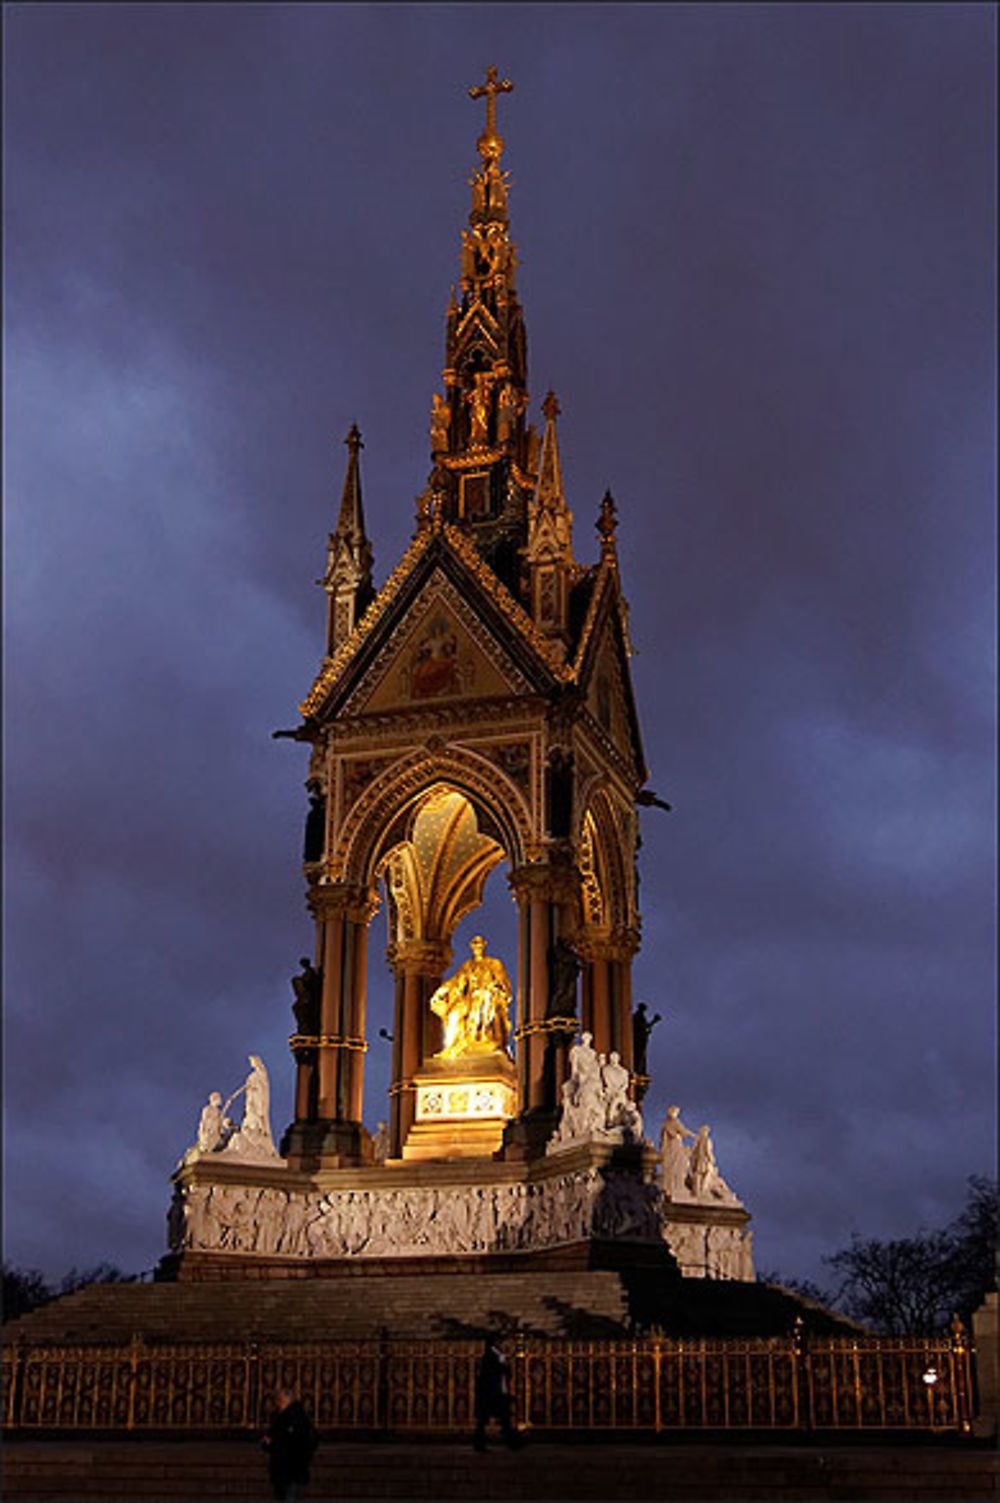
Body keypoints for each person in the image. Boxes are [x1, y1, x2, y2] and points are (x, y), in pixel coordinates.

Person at [261, 1387, 318, 1502]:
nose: (278, 1404)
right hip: (288, 1466)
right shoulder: (287, 1417)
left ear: (287, 1400)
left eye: (280, 1400)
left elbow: (289, 1441)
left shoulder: (294, 1418)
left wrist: (272, 1443)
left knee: (289, 1495)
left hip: (290, 1466)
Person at [473, 1336, 517, 1451]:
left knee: (501, 1418)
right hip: (492, 1392)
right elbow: (494, 1372)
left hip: (494, 1391)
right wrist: (503, 1365)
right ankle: (511, 1441)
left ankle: (511, 1441)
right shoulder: (491, 1356)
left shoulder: (495, 1355)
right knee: (499, 1418)